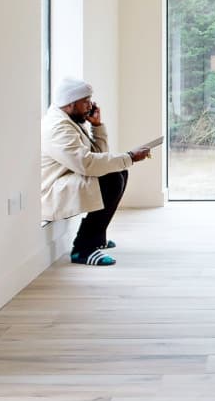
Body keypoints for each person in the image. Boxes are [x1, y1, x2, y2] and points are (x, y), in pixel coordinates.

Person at [41, 78, 150, 265]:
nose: (90, 106)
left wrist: (97, 126)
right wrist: (130, 156)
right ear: (70, 103)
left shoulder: (70, 121)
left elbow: (99, 157)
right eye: (86, 101)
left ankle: (97, 238)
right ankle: (83, 249)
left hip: (67, 181)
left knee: (118, 171)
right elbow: (87, 164)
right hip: (51, 192)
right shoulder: (58, 127)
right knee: (113, 177)